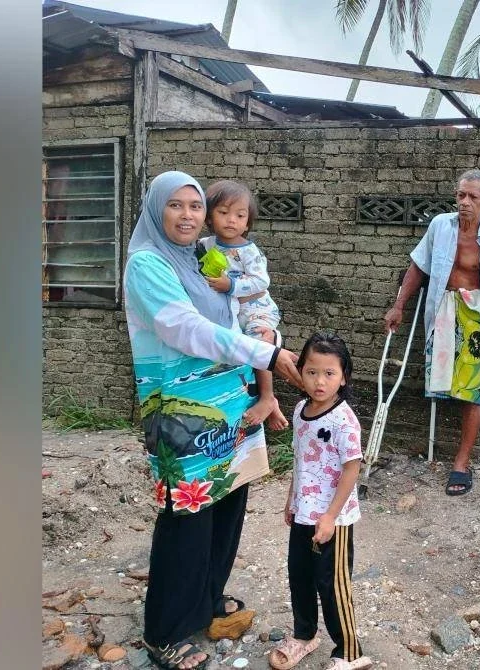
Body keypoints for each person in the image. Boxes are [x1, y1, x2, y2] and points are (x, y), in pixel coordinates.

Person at [124, 171, 304, 670]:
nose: (187, 216)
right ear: (156, 210)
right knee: (186, 517)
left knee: (227, 504)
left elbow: (243, 306)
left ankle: (206, 600)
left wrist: (264, 336)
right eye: (175, 206)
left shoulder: (204, 257)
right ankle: (166, 629)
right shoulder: (148, 264)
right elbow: (185, 330)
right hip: (181, 411)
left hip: (231, 401)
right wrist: (267, 353)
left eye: (195, 206)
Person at [383, 169, 480, 496]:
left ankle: (461, 462)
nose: (464, 202)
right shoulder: (439, 227)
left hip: (475, 316)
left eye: (473, 197)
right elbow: (418, 267)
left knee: (473, 388)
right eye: (461, 195)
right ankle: (439, 452)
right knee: (442, 380)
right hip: (442, 310)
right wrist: (399, 305)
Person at [268, 332, 372, 670]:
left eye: (329, 373)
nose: (319, 381)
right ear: (300, 371)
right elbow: (301, 460)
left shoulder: (344, 420)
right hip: (303, 512)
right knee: (299, 574)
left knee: (332, 584)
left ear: (344, 377)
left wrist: (329, 517)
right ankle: (304, 635)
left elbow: (351, 470)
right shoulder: (300, 410)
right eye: (311, 372)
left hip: (333, 519)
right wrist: (291, 500)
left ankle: (349, 651)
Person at [199, 179, 288, 430]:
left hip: (257, 310)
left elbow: (261, 281)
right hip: (232, 312)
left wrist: (231, 286)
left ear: (247, 222)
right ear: (209, 218)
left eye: (239, 215)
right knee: (237, 355)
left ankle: (268, 397)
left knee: (259, 345)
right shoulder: (205, 245)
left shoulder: (249, 251)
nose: (231, 220)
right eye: (223, 213)